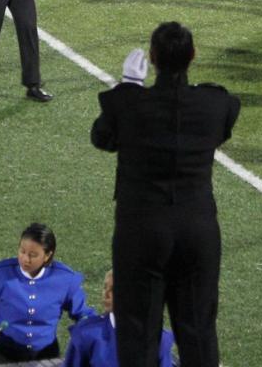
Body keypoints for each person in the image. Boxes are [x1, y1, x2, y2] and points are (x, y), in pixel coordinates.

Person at [91, 22, 240, 367]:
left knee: (138, 333)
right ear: (193, 56)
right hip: (197, 229)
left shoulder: (129, 104)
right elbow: (225, 119)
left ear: (152, 58)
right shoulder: (214, 103)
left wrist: (129, 86)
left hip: (141, 231)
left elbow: (101, 138)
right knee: (199, 332)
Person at [0, 223, 94, 364]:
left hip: (47, 357)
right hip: (4, 356)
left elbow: (84, 315)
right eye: (22, 251)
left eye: (33, 255)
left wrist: (86, 334)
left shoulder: (65, 279)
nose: (25, 259)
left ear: (47, 255)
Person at [62, 270, 175, 367]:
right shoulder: (87, 333)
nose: (106, 294)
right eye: (105, 287)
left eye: (114, 289)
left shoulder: (159, 339)